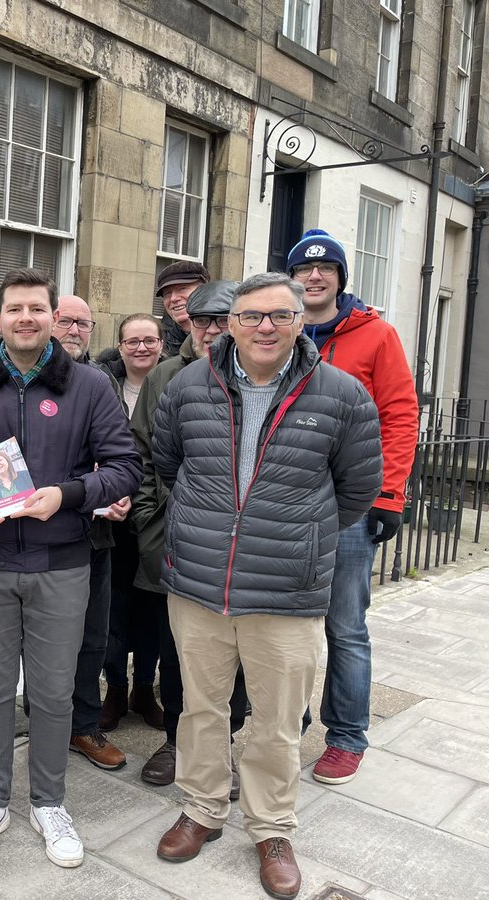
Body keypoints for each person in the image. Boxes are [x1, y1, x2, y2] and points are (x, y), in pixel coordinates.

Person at [152, 272, 381, 900]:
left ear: (299, 321)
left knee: (277, 721)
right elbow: (170, 464)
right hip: (199, 583)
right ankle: (201, 809)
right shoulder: (188, 386)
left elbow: (357, 490)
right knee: (200, 709)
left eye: (280, 316)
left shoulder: (342, 394)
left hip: (286, 589)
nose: (265, 328)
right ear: (229, 322)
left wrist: (294, 537)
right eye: (251, 316)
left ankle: (271, 827)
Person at [0, 269, 141, 867]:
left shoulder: (91, 387)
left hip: (63, 562)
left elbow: (125, 466)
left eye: (37, 308)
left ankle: (50, 801)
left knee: (53, 692)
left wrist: (69, 493)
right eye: (14, 309)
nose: (26, 318)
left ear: (53, 317)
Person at [286, 229, 419, 785]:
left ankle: (345, 735)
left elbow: (399, 414)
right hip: (287, 507)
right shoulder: (278, 334)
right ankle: (292, 719)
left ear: (340, 277)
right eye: (304, 269)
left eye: (326, 269)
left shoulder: (376, 335)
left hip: (349, 509)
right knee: (286, 624)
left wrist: (389, 494)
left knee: (344, 627)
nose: (315, 277)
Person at [130, 282, 249, 793]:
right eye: (202, 321)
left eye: (223, 320)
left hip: (246, 545)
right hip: (176, 536)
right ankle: (178, 738)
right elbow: (138, 453)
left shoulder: (264, 377)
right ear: (188, 325)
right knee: (179, 646)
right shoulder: (165, 377)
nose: (212, 330)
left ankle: (223, 744)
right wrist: (148, 519)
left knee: (239, 651)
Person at [51, 295, 128, 771]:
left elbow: (120, 453)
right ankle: (47, 721)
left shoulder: (101, 381)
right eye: (67, 321)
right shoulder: (21, 380)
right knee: (44, 639)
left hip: (96, 533)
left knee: (92, 635)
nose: (75, 330)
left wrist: (117, 492)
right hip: (45, 532)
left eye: (84, 323)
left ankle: (83, 724)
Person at [92, 313, 165, 733]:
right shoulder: (104, 385)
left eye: (149, 340)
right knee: (114, 609)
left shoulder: (174, 383)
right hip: (113, 515)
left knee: (151, 609)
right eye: (132, 341)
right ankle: (115, 689)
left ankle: (144, 689)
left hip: (155, 515)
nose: (141, 348)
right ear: (119, 346)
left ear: (160, 344)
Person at [152, 260, 209, 356]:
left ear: (205, 292)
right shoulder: (154, 345)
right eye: (167, 293)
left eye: (182, 289)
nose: (173, 298)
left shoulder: (231, 335)